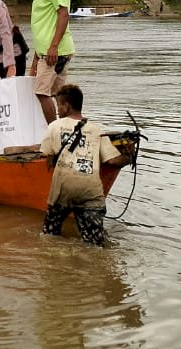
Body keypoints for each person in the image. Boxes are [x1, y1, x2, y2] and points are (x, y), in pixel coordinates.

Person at [40, 84, 133, 247]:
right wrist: (128, 156)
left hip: (63, 189)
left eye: (58, 106)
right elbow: (112, 161)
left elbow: (48, 155)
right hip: (90, 191)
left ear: (66, 106)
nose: (57, 110)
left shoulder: (54, 126)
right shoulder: (97, 130)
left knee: (50, 235)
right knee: (95, 244)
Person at [23, 0, 75, 123]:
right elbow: (44, 25)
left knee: (41, 92)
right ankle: (67, 132)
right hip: (49, 52)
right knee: (60, 97)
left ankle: (56, 132)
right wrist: (36, 60)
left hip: (54, 52)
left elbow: (63, 14)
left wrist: (53, 46)